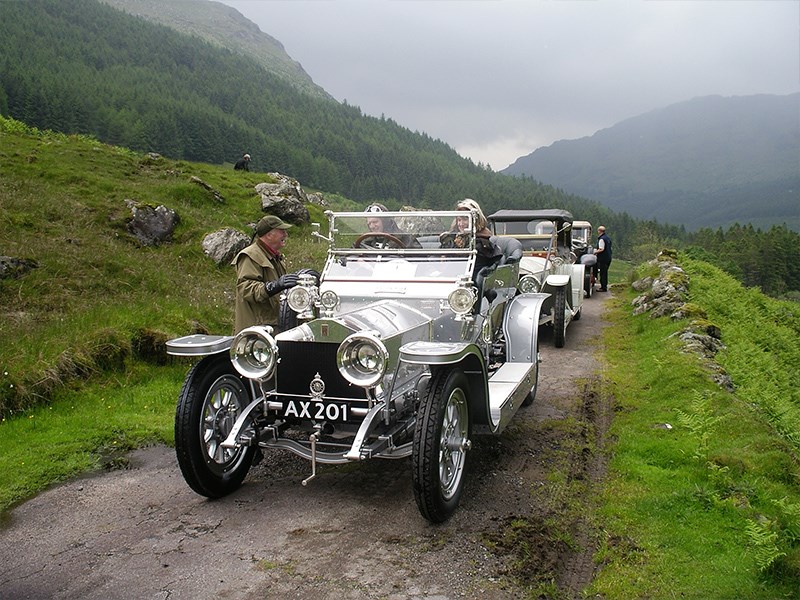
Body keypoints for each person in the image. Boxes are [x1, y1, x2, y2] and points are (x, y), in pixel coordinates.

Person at [232, 214, 297, 333]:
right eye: (281, 231)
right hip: (256, 332)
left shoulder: (274, 257)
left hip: (271, 326)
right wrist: (272, 286)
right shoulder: (250, 255)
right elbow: (245, 288)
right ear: (269, 234)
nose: (285, 235)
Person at [594, 225, 612, 292]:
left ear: (599, 231)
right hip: (608, 257)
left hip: (603, 258)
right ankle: (604, 286)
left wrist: (595, 252)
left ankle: (603, 287)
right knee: (605, 272)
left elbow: (601, 249)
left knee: (603, 273)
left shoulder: (601, 239)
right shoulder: (607, 238)